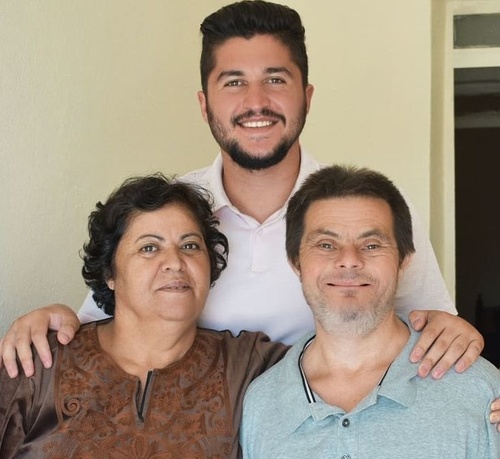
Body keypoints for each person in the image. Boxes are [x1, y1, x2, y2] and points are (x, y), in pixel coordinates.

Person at [1, 1, 497, 423]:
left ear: (306, 97)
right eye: (233, 82)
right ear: (204, 104)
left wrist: (475, 373)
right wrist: (54, 320)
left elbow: (436, 335)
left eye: (275, 79)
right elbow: (107, 328)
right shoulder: (168, 215)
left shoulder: (366, 213)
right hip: (194, 439)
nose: (256, 102)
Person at [0, 173, 287, 458]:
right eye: (149, 248)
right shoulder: (38, 361)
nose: (175, 262)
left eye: (190, 246)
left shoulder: (249, 366)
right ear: (109, 273)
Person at [240, 165, 500, 458]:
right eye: (326, 244)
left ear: (403, 261)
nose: (349, 260)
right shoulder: (261, 405)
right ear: (296, 262)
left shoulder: (478, 389)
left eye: (372, 245)